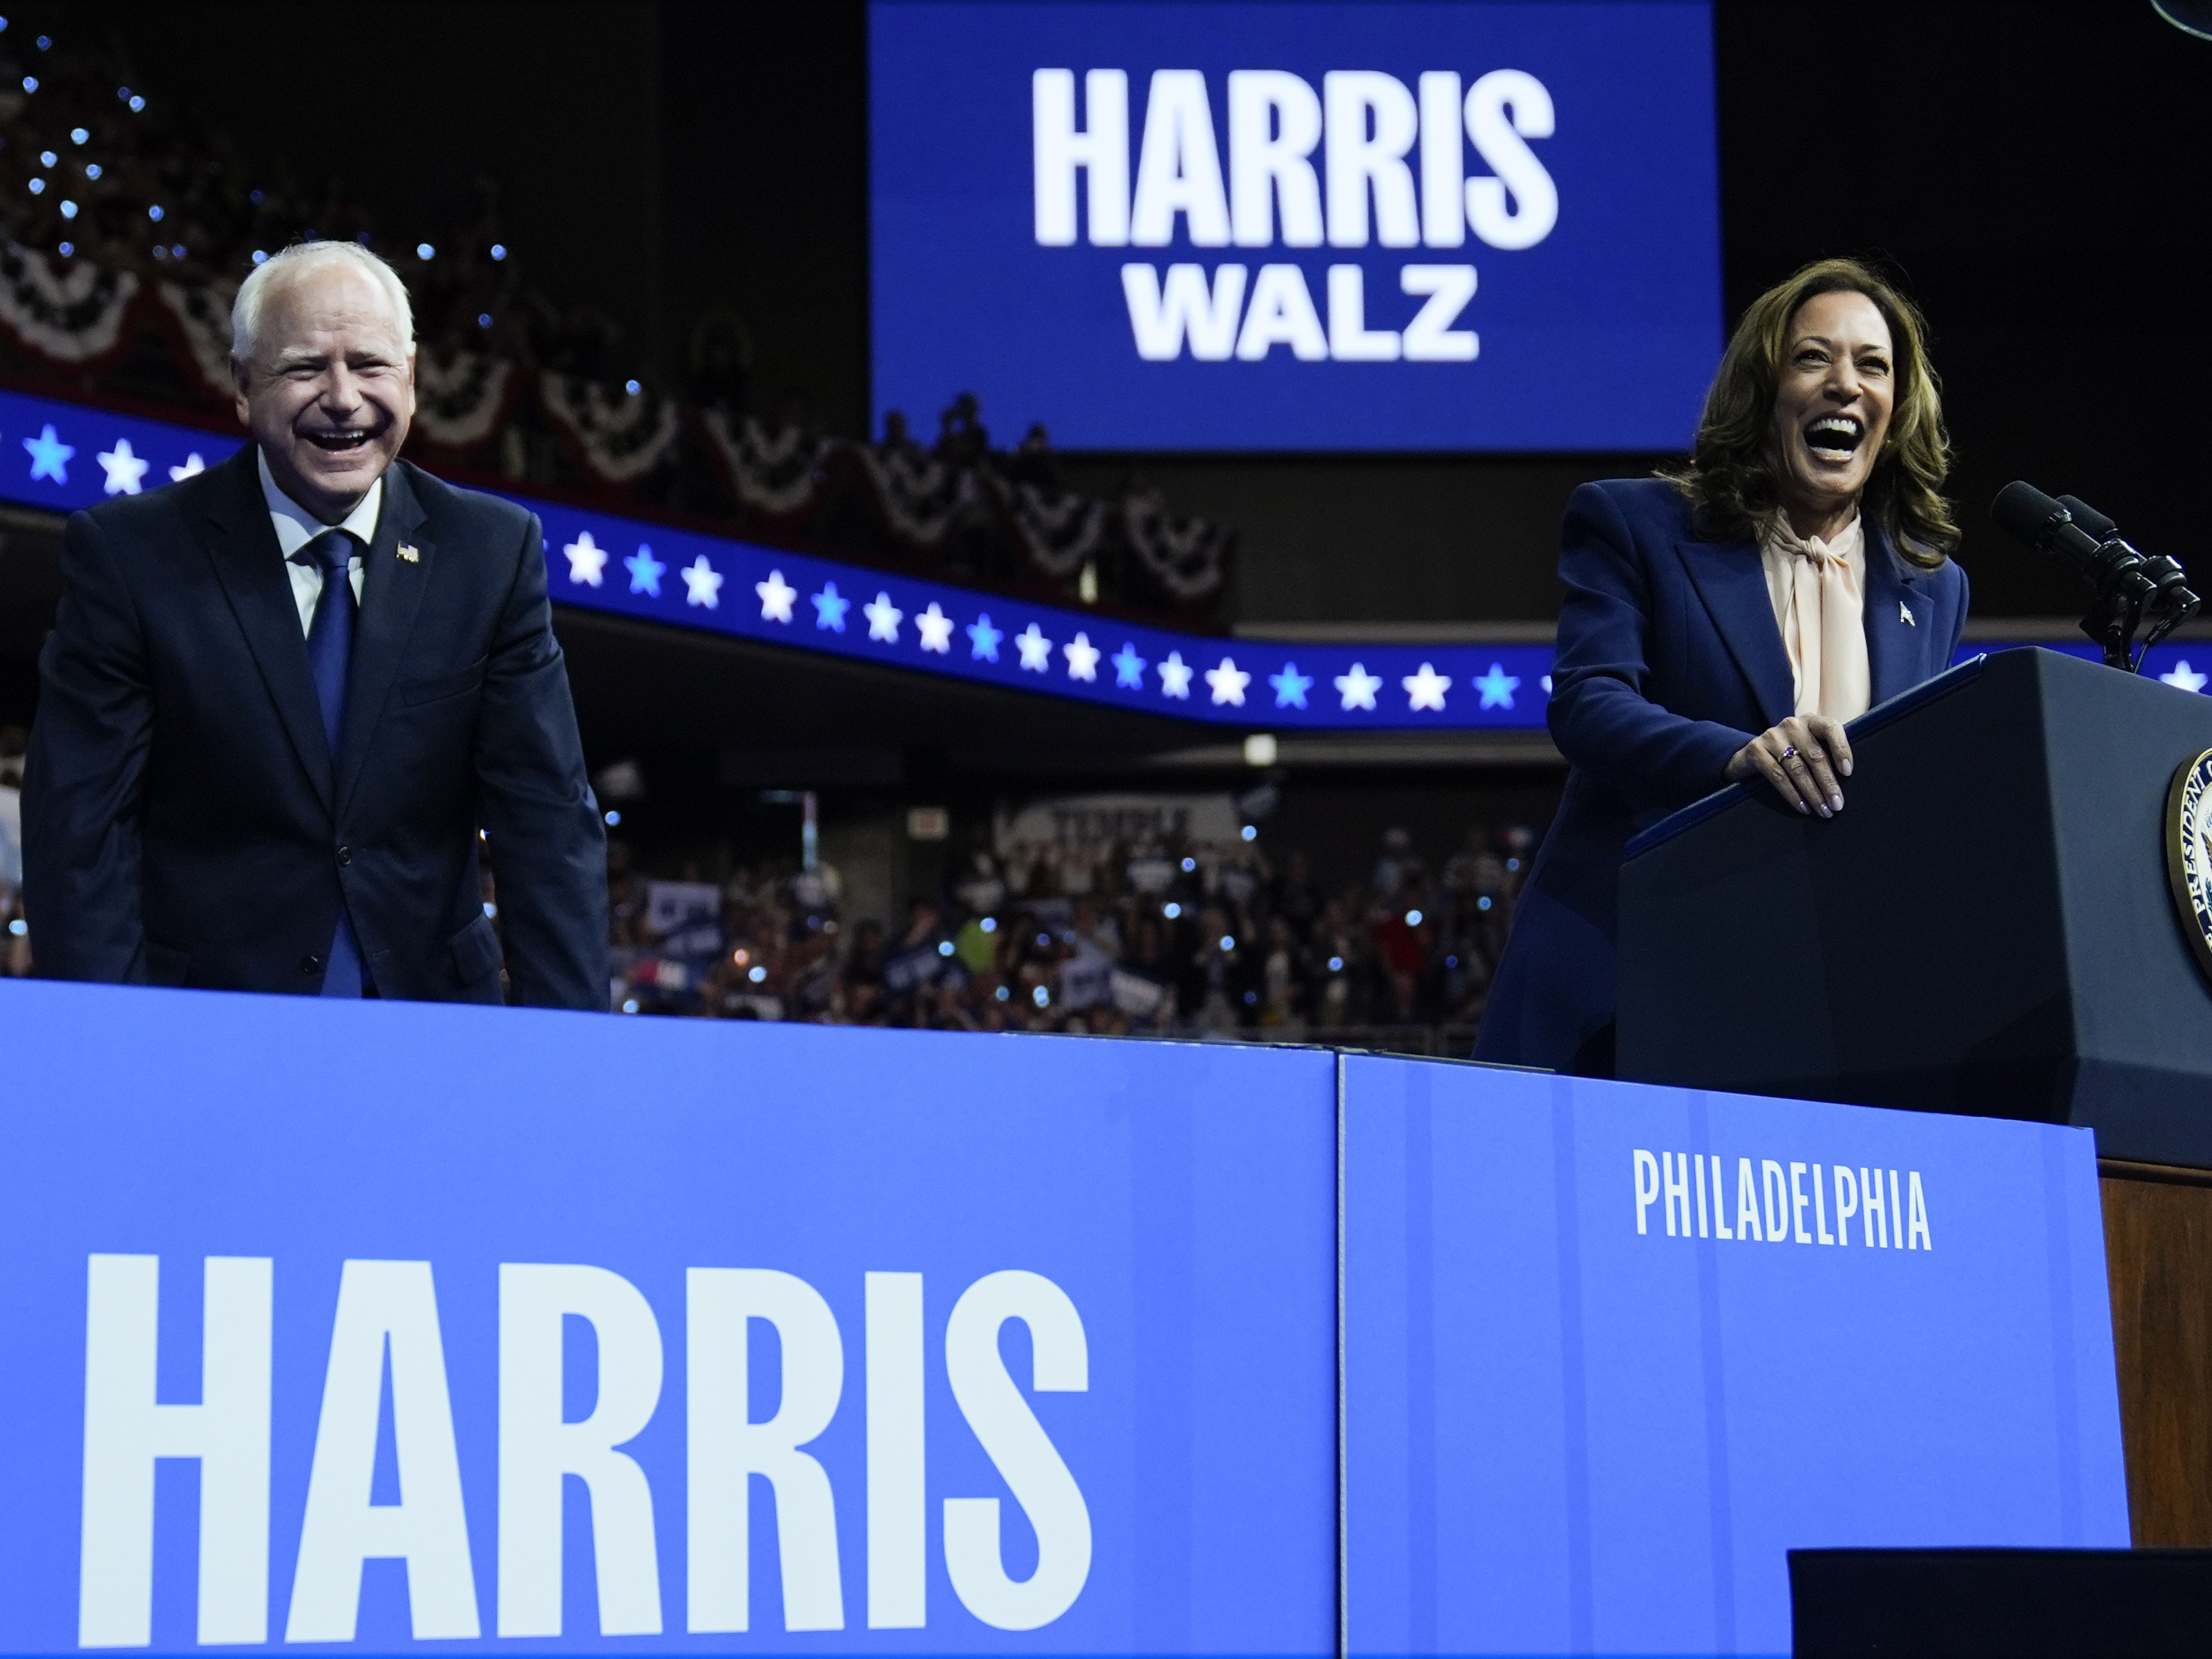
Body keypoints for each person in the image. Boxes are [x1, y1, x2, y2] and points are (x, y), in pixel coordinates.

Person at [23, 241, 606, 1005]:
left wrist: (570, 1060)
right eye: (304, 368)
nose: (342, 397)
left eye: (369, 365)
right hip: (206, 1030)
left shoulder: (492, 554)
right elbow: (79, 832)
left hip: (429, 1029)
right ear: (241, 383)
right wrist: (115, 1045)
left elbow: (547, 823)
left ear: (411, 378)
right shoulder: (133, 556)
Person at [1474, 258, 1968, 1074]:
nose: (1845, 383)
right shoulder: (1637, 524)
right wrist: (1731, 755)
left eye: (1872, 365)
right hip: (1631, 988)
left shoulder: (1934, 588)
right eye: (1814, 357)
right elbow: (1588, 703)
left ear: (1898, 407)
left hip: (1816, 1006)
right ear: (1761, 388)